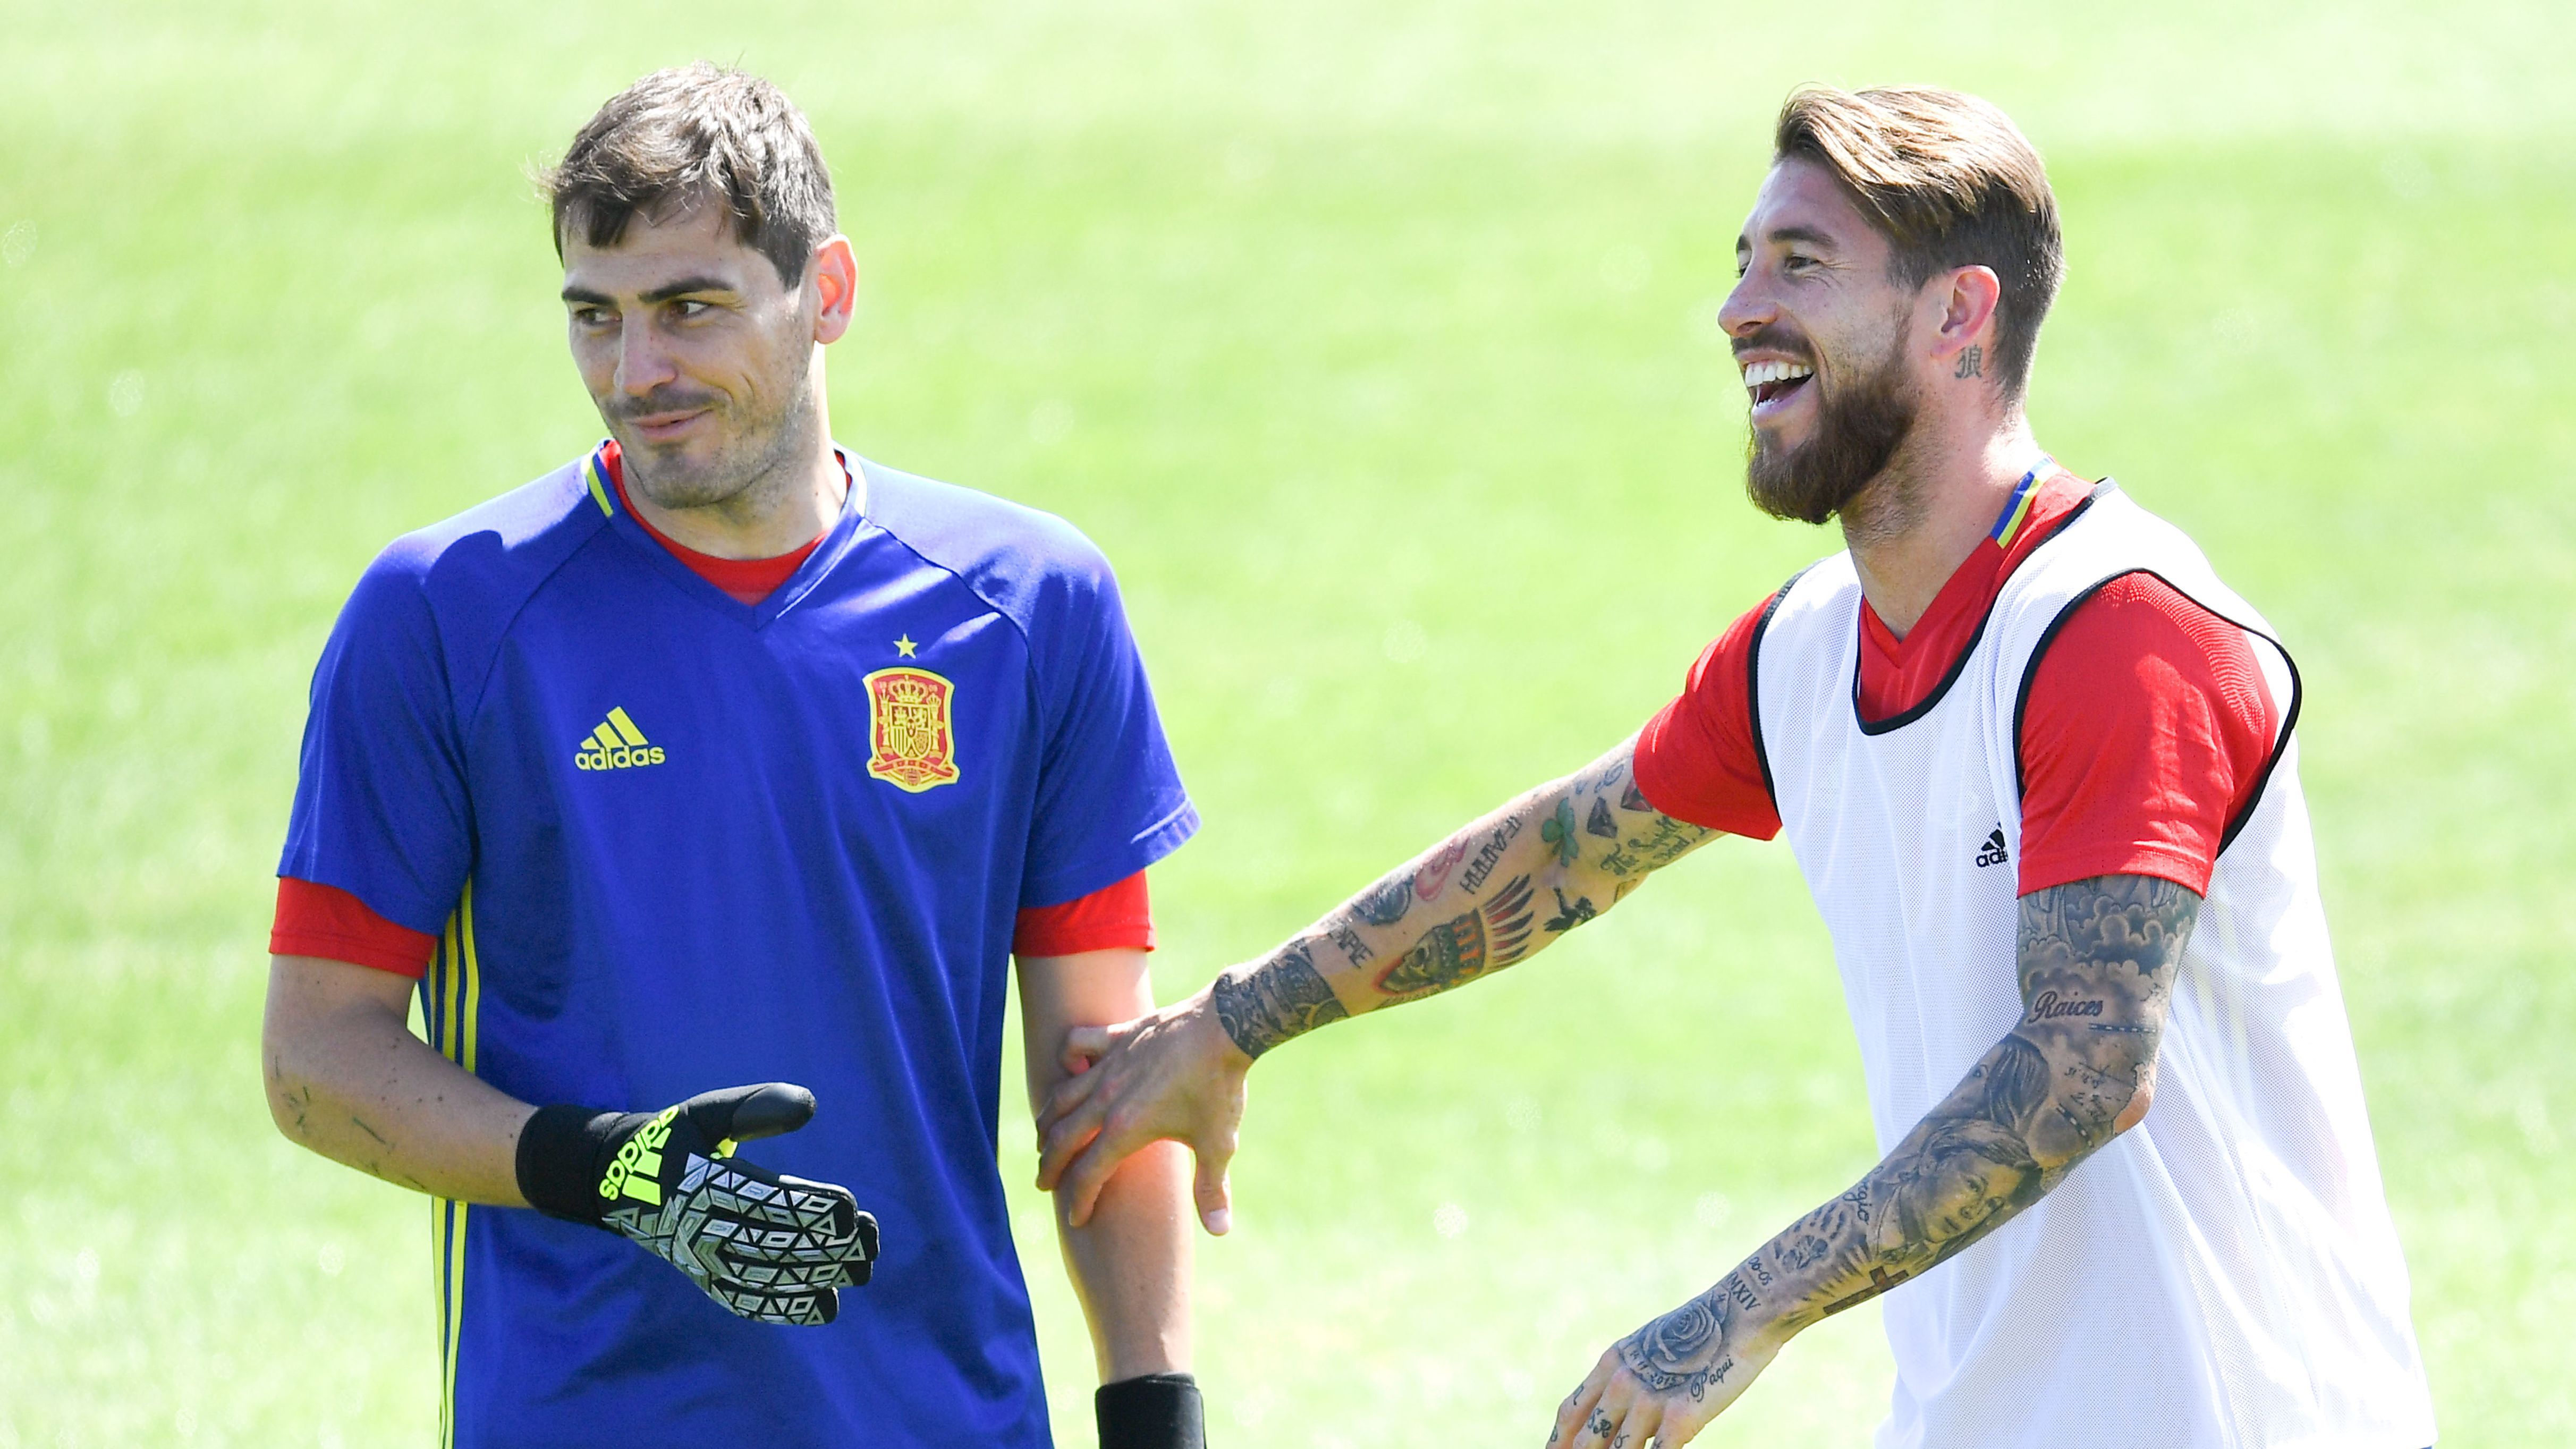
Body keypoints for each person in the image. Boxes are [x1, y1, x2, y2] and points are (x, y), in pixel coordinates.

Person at [1035, 86, 2438, 1449]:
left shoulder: (2118, 632)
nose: (1737, 309)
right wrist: (1230, 1025)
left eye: (1801, 264)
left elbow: (2089, 1058)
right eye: (1745, 260)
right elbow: (1566, 851)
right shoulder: (1808, 652)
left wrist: (1738, 1315)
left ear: (1959, 313)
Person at [261, 63, 1208, 1448]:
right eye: (596, 317)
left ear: (828, 292)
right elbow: (313, 1061)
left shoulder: (1029, 608)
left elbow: (1104, 1078)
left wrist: (1154, 1408)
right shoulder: (444, 615)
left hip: (947, 1423)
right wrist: (607, 1169)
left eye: (689, 309)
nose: (635, 374)